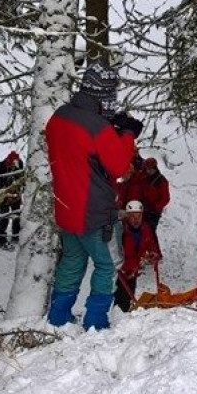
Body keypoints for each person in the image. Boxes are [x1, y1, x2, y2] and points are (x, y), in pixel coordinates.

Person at [45, 61, 143, 330]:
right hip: (93, 210)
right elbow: (119, 166)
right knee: (106, 265)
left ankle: (58, 317)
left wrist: (111, 129)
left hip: (66, 207)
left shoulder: (60, 116)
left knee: (72, 261)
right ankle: (96, 321)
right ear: (105, 95)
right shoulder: (98, 127)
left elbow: (81, 153)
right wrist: (127, 134)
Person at [113, 200, 162, 312]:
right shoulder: (121, 230)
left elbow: (152, 244)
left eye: (138, 216)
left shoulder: (146, 229)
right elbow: (115, 249)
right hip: (120, 270)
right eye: (132, 216)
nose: (136, 220)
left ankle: (124, 313)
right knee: (118, 295)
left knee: (128, 296)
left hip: (133, 270)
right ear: (127, 216)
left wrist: (154, 254)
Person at [0, 150, 24, 248]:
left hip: (16, 194)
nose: (15, 164)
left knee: (16, 215)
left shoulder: (20, 163)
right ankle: (2, 239)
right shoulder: (1, 165)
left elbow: (22, 176)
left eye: (16, 161)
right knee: (4, 217)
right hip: (4, 195)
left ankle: (15, 236)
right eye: (13, 162)